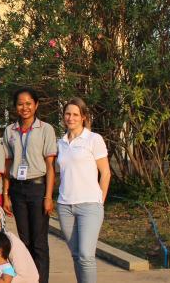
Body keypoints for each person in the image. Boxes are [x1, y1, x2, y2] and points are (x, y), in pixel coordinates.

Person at [2, 89, 56, 283]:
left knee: (39, 242)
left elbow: (50, 166)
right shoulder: (10, 131)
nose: (24, 108)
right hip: (17, 190)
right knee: (24, 241)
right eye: (20, 104)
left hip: (37, 188)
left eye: (28, 103)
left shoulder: (46, 129)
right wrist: (5, 194)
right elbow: (7, 165)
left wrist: (48, 197)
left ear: (36, 105)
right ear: (15, 106)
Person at [56, 98, 111, 283]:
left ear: (84, 117)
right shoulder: (61, 143)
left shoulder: (94, 139)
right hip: (65, 206)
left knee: (86, 255)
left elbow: (105, 173)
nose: (71, 118)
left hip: (89, 206)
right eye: (68, 114)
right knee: (76, 255)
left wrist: (99, 201)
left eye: (75, 114)